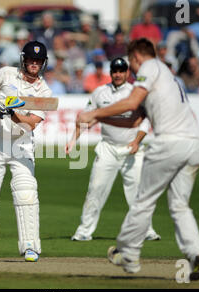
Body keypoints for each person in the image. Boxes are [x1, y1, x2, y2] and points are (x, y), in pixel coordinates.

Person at [77, 38, 199, 281]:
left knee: (143, 200)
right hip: (193, 144)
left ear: (136, 56)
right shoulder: (167, 77)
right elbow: (133, 120)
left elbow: (131, 102)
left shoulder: (150, 66)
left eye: (131, 63)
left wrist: (94, 112)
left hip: (169, 143)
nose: (132, 69)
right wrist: (100, 120)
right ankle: (196, 253)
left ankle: (128, 253)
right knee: (179, 205)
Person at [0, 41, 52, 263]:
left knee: (26, 193)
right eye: (31, 60)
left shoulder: (44, 91)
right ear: (23, 59)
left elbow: (31, 123)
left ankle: (31, 246)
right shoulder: (5, 73)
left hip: (21, 145)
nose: (34, 64)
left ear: (43, 63)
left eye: (39, 61)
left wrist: (11, 112)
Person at [67, 57, 160, 242]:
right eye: (115, 71)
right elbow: (85, 117)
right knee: (95, 189)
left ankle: (146, 230)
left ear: (127, 73)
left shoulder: (135, 92)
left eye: (121, 71)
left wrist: (136, 142)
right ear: (111, 73)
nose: (118, 74)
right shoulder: (100, 92)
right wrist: (73, 140)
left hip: (132, 149)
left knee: (138, 193)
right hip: (107, 148)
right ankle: (84, 231)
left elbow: (145, 121)